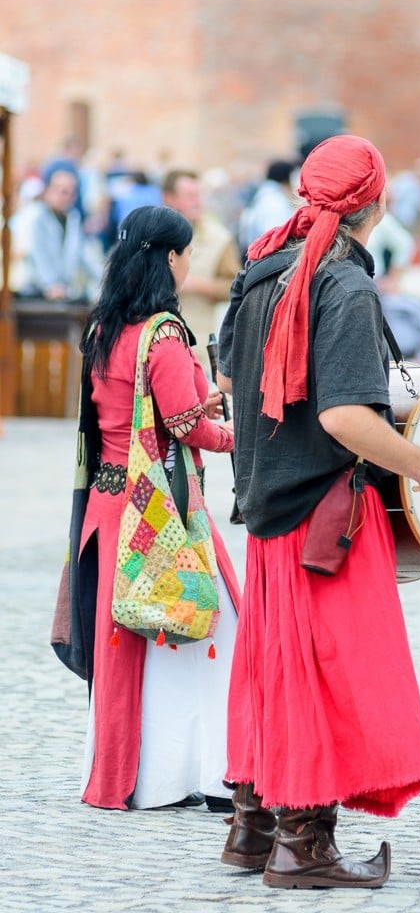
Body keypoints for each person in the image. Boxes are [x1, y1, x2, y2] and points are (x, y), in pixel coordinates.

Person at [217, 135, 420, 889]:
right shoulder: (346, 284)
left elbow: (232, 379)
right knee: (328, 675)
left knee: (273, 667)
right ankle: (305, 849)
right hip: (324, 511)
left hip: (270, 504)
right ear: (380, 199)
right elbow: (345, 419)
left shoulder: (264, 267)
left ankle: (253, 826)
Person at [68, 205, 239, 810]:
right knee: (206, 628)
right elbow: (185, 425)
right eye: (188, 253)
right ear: (170, 259)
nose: (191, 263)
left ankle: (138, 778)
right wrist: (233, 436)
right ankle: (208, 773)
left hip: (109, 506)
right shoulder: (165, 333)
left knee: (129, 646)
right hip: (162, 508)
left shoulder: (105, 329)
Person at [162, 169, 241, 365]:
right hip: (153, 345)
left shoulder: (219, 238)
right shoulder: (150, 234)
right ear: (169, 198)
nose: (197, 201)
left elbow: (236, 287)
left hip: (196, 349)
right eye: (190, 196)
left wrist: (197, 285)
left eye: (199, 195)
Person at [17, 168, 102, 301]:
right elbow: (38, 254)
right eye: (62, 191)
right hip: (36, 292)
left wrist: (105, 278)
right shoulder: (36, 217)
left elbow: (84, 253)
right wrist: (51, 284)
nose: (67, 197)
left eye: (71, 192)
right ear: (48, 191)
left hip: (63, 292)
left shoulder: (73, 218)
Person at [237, 158, 296, 260]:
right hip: (268, 261)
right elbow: (277, 242)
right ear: (289, 179)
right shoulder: (275, 203)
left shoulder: (263, 196)